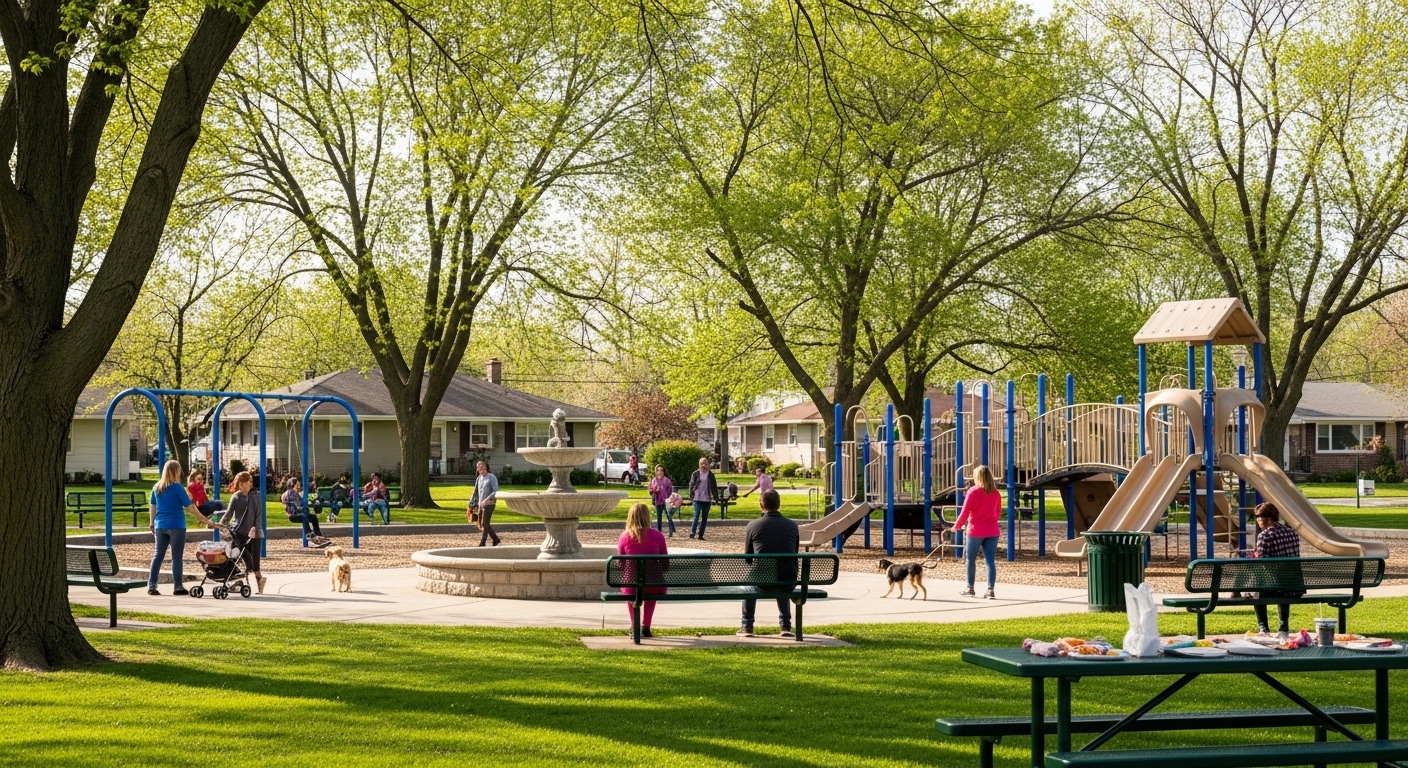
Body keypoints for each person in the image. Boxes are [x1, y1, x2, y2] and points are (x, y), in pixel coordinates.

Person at [147, 460, 223, 596]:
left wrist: (152, 522)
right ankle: (177, 586)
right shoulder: (177, 488)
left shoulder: (157, 487)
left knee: (158, 555)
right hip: (176, 525)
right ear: (176, 472)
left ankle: (152, 585)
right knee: (176, 557)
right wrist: (206, 520)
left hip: (160, 526)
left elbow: (153, 506)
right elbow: (190, 507)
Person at [738, 489, 799, 637]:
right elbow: (794, 554)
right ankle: (785, 626)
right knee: (782, 574)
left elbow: (748, 557)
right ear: (779, 505)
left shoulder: (753, 525)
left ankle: (747, 625)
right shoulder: (792, 525)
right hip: (787, 579)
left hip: (762, 580)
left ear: (761, 505)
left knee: (749, 586)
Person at [1248, 503, 1303, 637]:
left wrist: (1255, 557)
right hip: (1294, 586)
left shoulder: (1264, 536)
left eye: (1258, 518)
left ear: (1266, 519)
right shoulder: (1292, 533)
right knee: (1284, 581)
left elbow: (1263, 564)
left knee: (1257, 588)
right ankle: (1283, 626)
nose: (1257, 521)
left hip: (1274, 586)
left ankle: (1263, 628)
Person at [617, 502, 669, 638]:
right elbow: (665, 563)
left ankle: (634, 625)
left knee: (629, 586)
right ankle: (646, 626)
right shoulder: (658, 536)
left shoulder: (624, 537)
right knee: (651, 587)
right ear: (647, 517)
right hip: (654, 584)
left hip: (632, 584)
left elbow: (621, 564)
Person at [954, 465, 1002, 600]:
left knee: (970, 559)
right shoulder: (996, 493)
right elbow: (998, 512)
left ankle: (970, 588)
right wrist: (990, 520)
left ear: (978, 477)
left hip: (975, 530)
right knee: (990, 561)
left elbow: (965, 512)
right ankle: (990, 590)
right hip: (992, 530)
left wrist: (957, 526)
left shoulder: (973, 492)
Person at [226, 471, 266, 594]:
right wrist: (217, 524)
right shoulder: (236, 497)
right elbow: (228, 514)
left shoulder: (256, 496)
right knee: (236, 555)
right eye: (248, 482)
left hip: (255, 533)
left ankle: (260, 581)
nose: (250, 484)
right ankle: (236, 579)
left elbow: (259, 514)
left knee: (255, 561)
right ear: (242, 483)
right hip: (239, 532)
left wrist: (255, 527)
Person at [282, 477, 330, 547]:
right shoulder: (292, 493)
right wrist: (307, 505)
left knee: (313, 517)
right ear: (293, 484)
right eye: (297, 484)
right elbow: (298, 507)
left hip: (298, 513)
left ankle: (318, 536)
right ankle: (310, 536)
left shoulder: (293, 493)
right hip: (294, 515)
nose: (299, 486)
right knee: (304, 516)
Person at [469, 460, 500, 547]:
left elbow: (495, 491)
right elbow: (475, 492)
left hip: (490, 504)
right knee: (485, 524)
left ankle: (483, 542)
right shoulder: (479, 478)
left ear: (486, 466)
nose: (480, 466)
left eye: (482, 465)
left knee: (484, 523)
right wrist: (471, 503)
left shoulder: (492, 477)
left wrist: (486, 500)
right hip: (480, 504)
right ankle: (495, 539)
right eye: (478, 465)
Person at [688, 456, 718, 540]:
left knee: (704, 517)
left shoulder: (711, 475)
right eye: (702, 464)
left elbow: (714, 487)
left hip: (707, 498)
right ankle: (693, 532)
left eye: (705, 463)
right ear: (699, 465)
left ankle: (701, 534)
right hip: (697, 497)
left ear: (708, 465)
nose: (703, 465)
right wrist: (691, 496)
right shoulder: (695, 474)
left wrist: (716, 498)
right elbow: (691, 485)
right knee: (696, 515)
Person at [648, 465, 675, 535]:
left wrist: (669, 499)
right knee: (659, 518)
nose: (659, 472)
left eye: (661, 470)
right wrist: (654, 490)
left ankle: (671, 531)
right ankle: (659, 532)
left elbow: (670, 491)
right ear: (655, 472)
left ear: (663, 472)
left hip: (666, 502)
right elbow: (650, 491)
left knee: (668, 516)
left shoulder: (667, 481)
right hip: (657, 502)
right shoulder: (654, 480)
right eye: (658, 470)